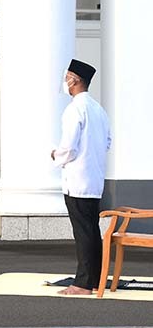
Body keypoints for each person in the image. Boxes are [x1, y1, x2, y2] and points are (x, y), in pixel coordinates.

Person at [52, 59, 111, 296]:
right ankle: (95, 280)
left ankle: (83, 284)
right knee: (91, 230)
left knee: (83, 232)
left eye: (67, 77)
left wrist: (56, 155)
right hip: (94, 178)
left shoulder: (75, 109)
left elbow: (68, 147)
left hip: (77, 180)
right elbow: (107, 142)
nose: (65, 81)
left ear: (75, 80)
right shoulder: (98, 109)